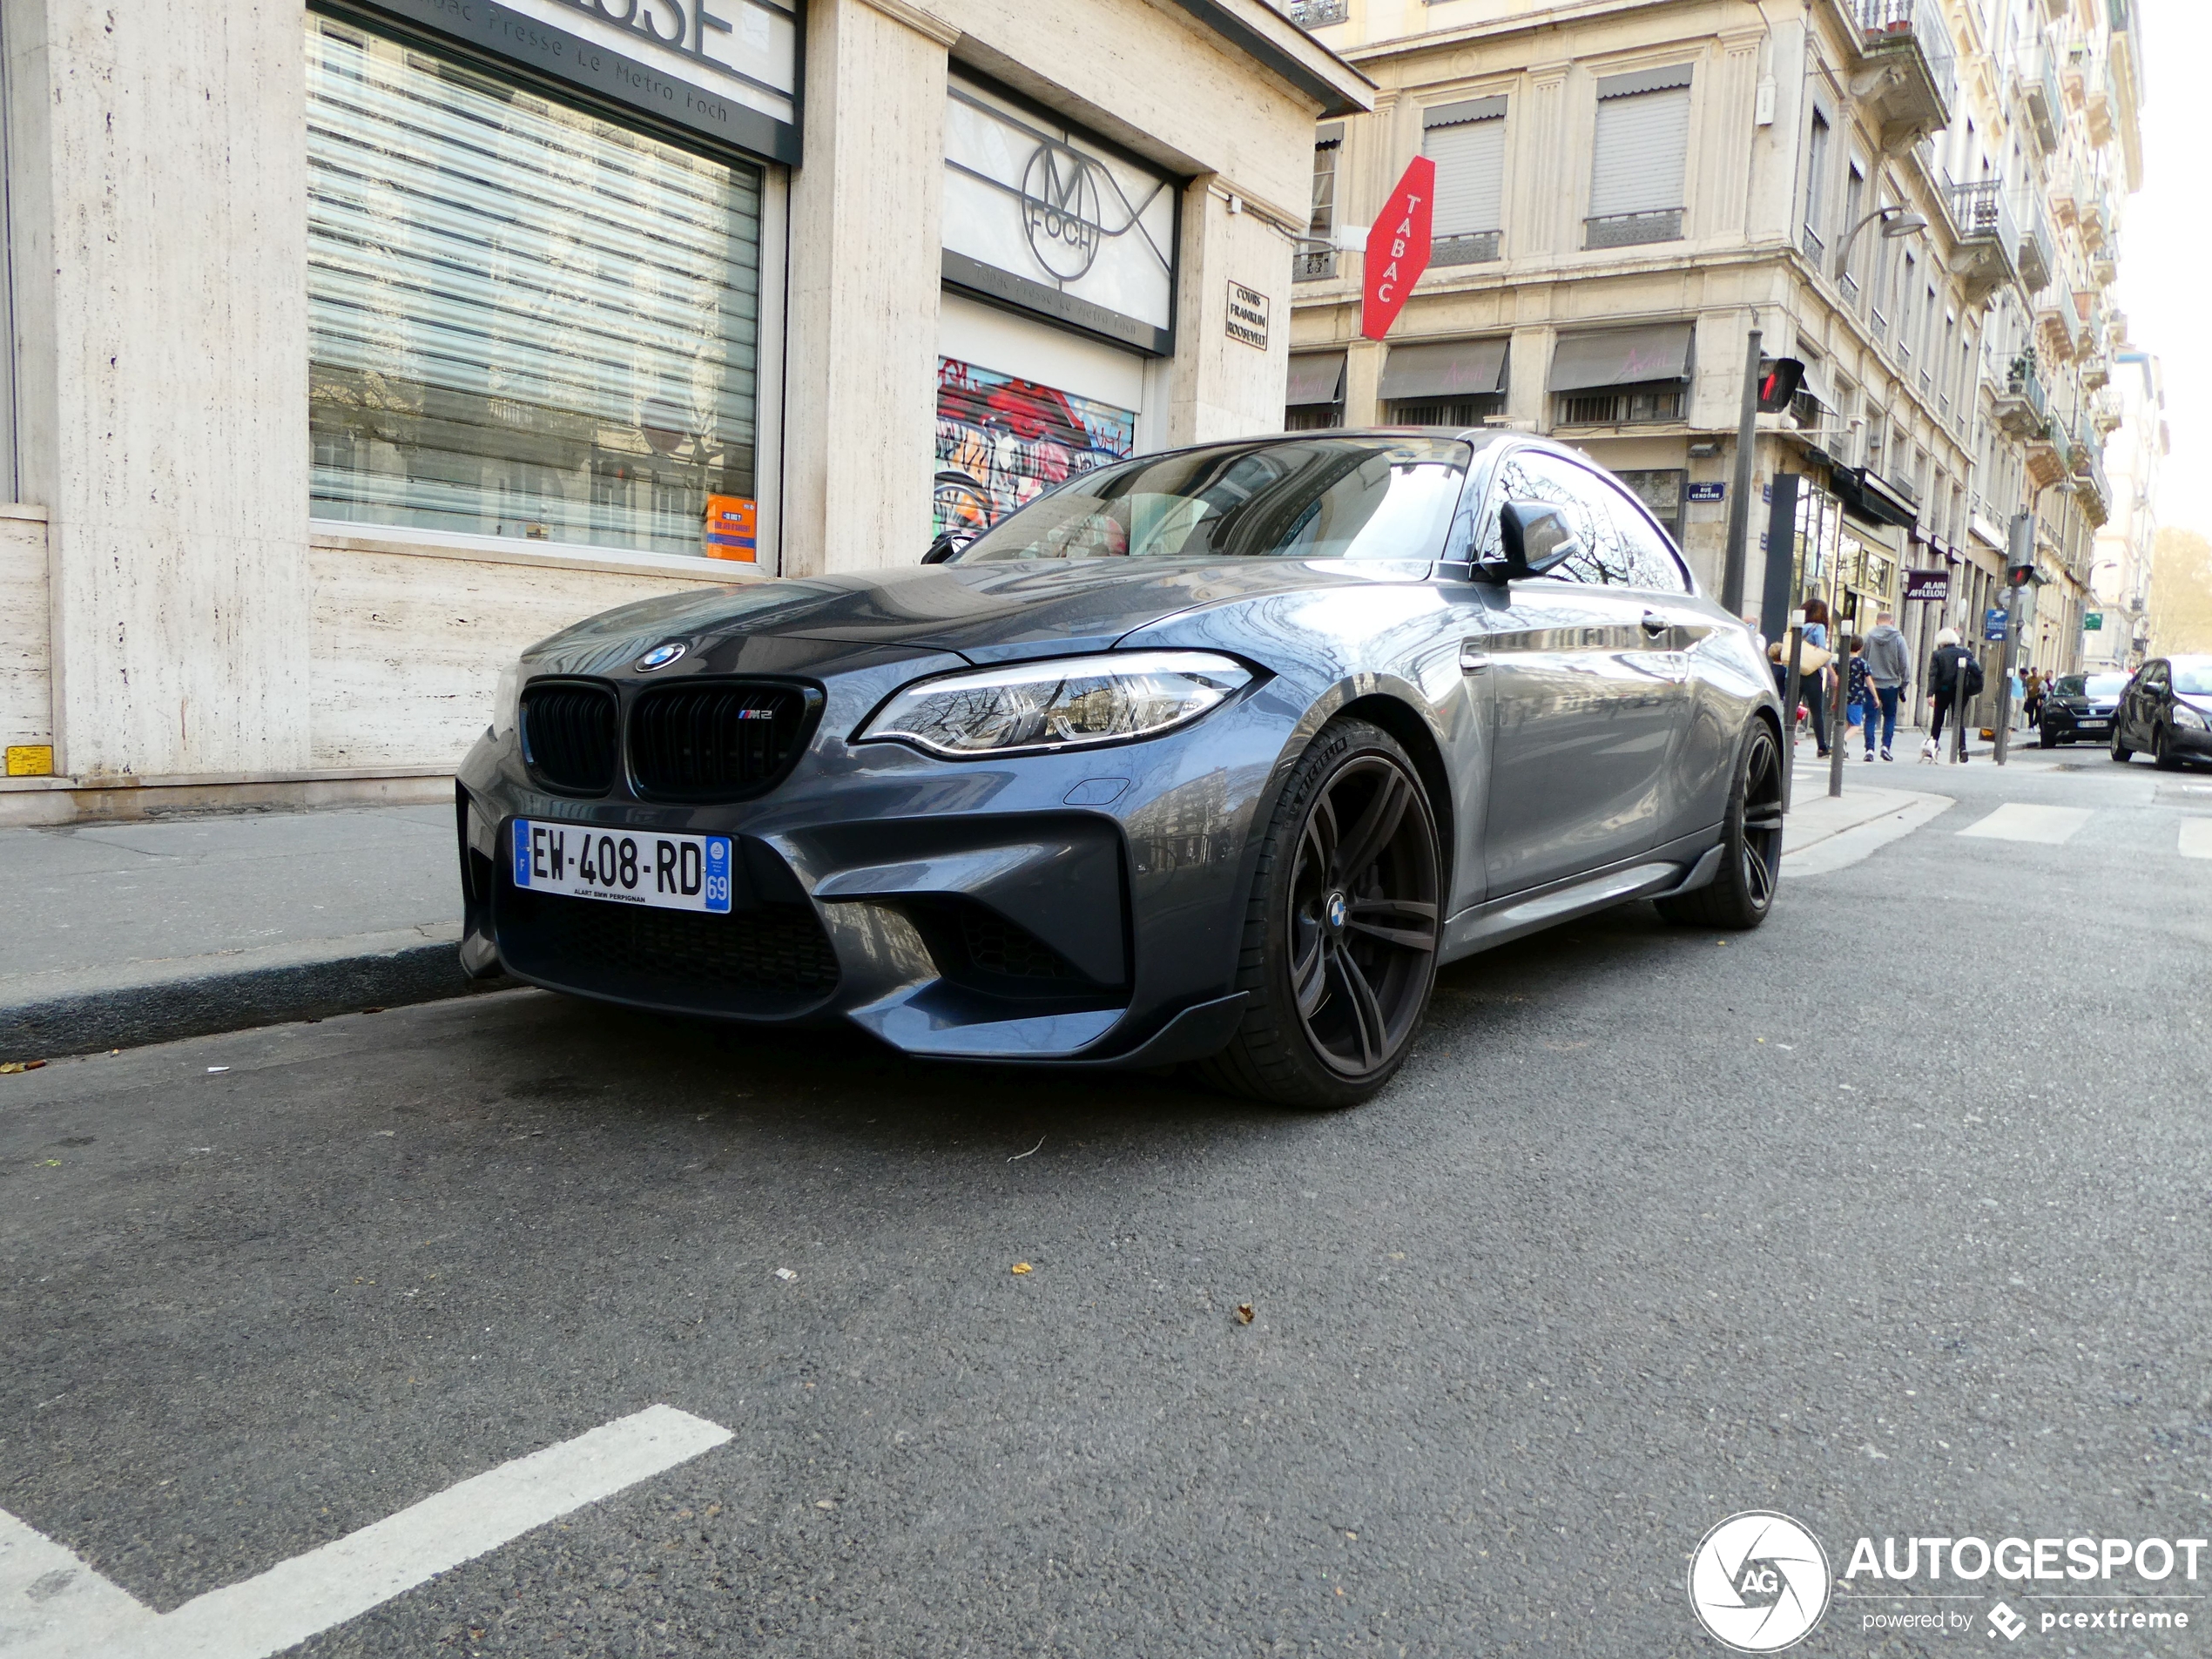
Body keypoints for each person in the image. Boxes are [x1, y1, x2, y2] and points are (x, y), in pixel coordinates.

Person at [1925, 627, 1982, 761]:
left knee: (1938, 719)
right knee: (1958, 719)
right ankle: (1962, 748)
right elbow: (1977, 669)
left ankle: (1932, 747)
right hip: (1961, 691)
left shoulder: (1938, 654)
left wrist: (1930, 694)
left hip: (1943, 690)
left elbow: (1933, 675)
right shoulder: (1964, 652)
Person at [1862, 610, 1910, 761]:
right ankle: (1886, 747)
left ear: (1877, 621)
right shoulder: (1898, 639)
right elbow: (1904, 664)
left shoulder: (1868, 637)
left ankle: (1869, 749)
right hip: (1891, 684)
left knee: (1870, 717)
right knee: (1889, 717)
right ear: (1892, 621)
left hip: (1871, 685)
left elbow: (1862, 660)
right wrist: (1904, 684)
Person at [1846, 637, 1880, 761]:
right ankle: (1841, 743)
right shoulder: (1862, 663)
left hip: (1842, 698)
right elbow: (1869, 682)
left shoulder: (1841, 662)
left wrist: (1834, 699)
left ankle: (1842, 748)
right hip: (1856, 697)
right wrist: (1875, 697)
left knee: (1845, 724)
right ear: (1861, 648)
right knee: (1856, 725)